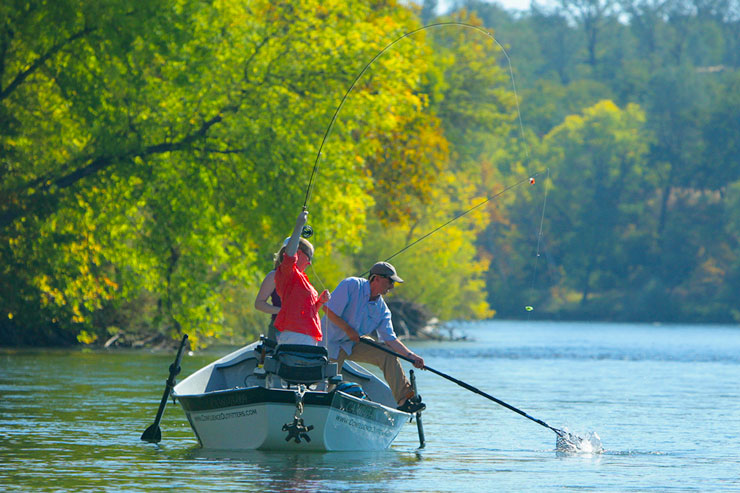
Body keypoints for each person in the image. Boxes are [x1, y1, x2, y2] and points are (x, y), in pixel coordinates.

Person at [323, 261, 426, 413]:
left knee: (387, 354)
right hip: (327, 344)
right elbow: (327, 309)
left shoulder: (382, 309)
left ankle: (405, 400)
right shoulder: (351, 285)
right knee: (326, 386)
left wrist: (411, 356)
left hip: (351, 345)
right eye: (390, 281)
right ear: (376, 278)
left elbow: (390, 339)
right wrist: (348, 329)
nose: (391, 286)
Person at [273, 209, 330, 346]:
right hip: (296, 336)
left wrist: (320, 302)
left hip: (307, 336)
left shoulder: (302, 279)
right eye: (309, 257)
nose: (310, 262)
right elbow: (289, 256)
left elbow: (307, 312)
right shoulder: (288, 273)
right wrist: (299, 225)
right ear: (299, 253)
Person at [254, 269, 280, 342]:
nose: (309, 263)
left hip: (299, 331)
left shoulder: (302, 277)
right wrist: (282, 311)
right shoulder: (274, 275)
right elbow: (259, 304)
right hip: (278, 328)